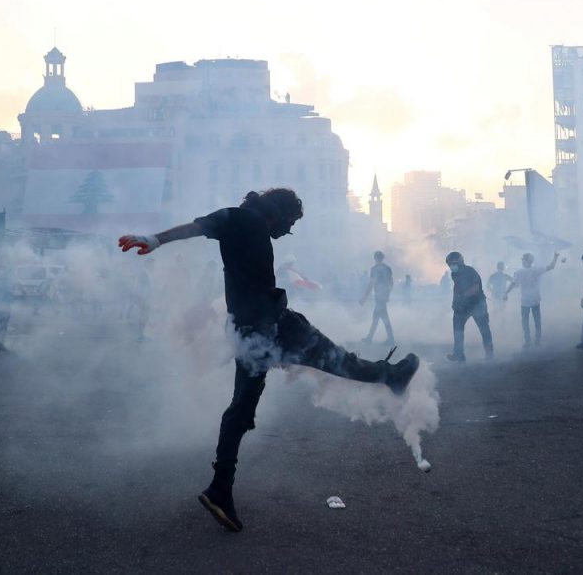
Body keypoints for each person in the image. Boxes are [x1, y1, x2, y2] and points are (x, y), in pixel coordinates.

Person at [118, 188, 419, 533]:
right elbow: (200, 226)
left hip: (263, 327)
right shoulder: (240, 218)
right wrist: (155, 239)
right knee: (329, 365)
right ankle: (390, 376)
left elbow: (209, 232)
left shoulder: (251, 225)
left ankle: (220, 488)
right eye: (290, 222)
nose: (288, 231)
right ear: (278, 213)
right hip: (266, 330)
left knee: (246, 406)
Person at [504, 252, 559, 349]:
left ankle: (528, 341)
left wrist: (506, 293)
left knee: (526, 322)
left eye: (523, 260)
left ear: (526, 261)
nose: (522, 261)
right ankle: (536, 341)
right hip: (534, 300)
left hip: (526, 301)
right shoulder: (535, 270)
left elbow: (513, 285)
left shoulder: (520, 272)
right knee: (536, 321)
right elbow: (551, 267)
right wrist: (555, 257)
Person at [445, 251, 493, 362]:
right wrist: (455, 302)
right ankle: (459, 355)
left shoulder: (471, 272)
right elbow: (457, 288)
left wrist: (462, 297)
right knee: (457, 329)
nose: (451, 267)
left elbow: (475, 288)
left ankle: (490, 355)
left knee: (484, 329)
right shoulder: (454, 274)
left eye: (452, 264)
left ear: (460, 262)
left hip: (477, 304)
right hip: (462, 307)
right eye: (449, 265)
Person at [360, 251, 395, 345]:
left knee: (380, 318)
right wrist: (388, 294)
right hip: (383, 296)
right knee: (378, 317)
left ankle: (389, 339)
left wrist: (364, 298)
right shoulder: (387, 268)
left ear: (375, 258)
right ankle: (371, 338)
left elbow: (371, 284)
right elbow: (391, 283)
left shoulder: (374, 269)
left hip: (379, 297)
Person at [486, 262, 512, 326]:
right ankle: (501, 325)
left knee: (496, 310)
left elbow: (488, 286)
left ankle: (492, 324)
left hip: (496, 295)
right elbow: (514, 282)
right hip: (502, 295)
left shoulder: (493, 275)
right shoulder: (505, 276)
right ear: (503, 268)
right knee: (502, 311)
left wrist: (493, 291)